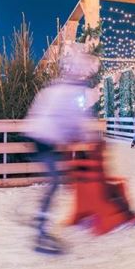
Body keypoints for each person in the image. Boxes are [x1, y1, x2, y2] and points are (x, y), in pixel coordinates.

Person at [26, 49, 100, 254]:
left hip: (38, 135)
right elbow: (77, 120)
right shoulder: (72, 92)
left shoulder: (55, 87)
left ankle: (40, 216)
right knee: (56, 181)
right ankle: (41, 230)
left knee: (57, 180)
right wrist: (88, 138)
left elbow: (41, 108)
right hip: (45, 138)